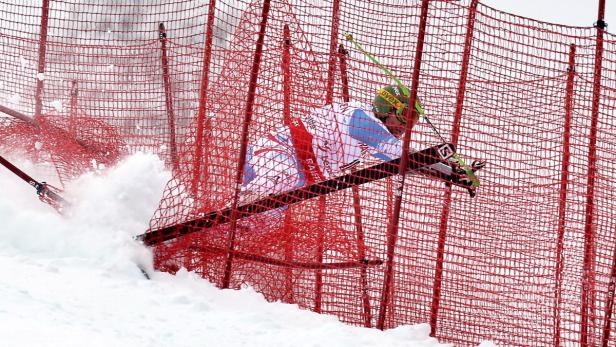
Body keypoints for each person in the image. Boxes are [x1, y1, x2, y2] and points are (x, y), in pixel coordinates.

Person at [241, 85, 459, 197]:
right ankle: (221, 215)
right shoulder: (361, 119)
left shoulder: (373, 139)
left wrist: (449, 175)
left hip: (297, 178)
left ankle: (219, 231)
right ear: (386, 108)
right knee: (277, 181)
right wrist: (444, 165)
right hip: (275, 155)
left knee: (263, 220)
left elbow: (407, 164)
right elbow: (403, 154)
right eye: (405, 117)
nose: (406, 127)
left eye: (412, 121)